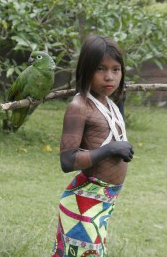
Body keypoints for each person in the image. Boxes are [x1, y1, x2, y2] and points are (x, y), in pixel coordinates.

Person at [52, 34, 134, 257]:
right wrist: (111, 149)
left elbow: (112, 132)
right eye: (101, 69)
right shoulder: (79, 106)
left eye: (116, 70)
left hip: (102, 202)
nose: (109, 77)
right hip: (84, 201)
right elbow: (67, 161)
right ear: (86, 69)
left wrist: (122, 100)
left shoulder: (108, 103)